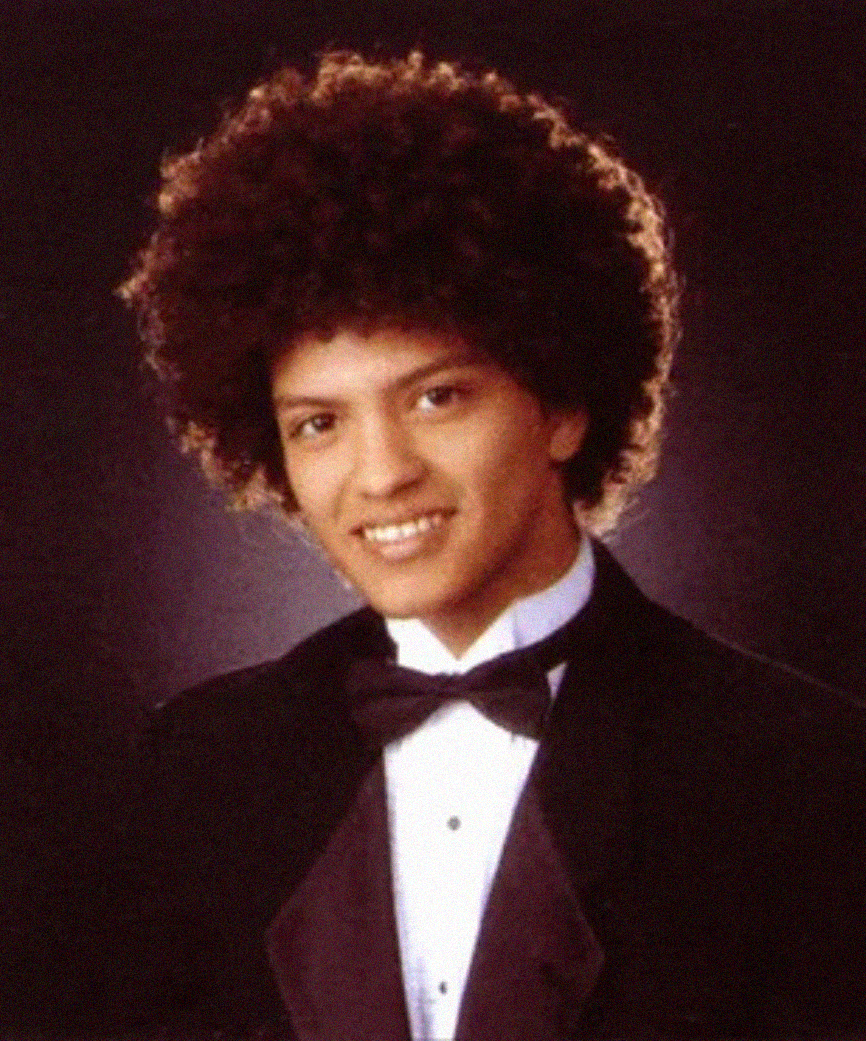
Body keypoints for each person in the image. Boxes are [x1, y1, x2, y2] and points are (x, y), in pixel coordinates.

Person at [112, 51, 865, 1040]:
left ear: (561, 405)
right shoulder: (200, 766)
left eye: (437, 398)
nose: (381, 475)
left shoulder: (808, 770)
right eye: (319, 424)